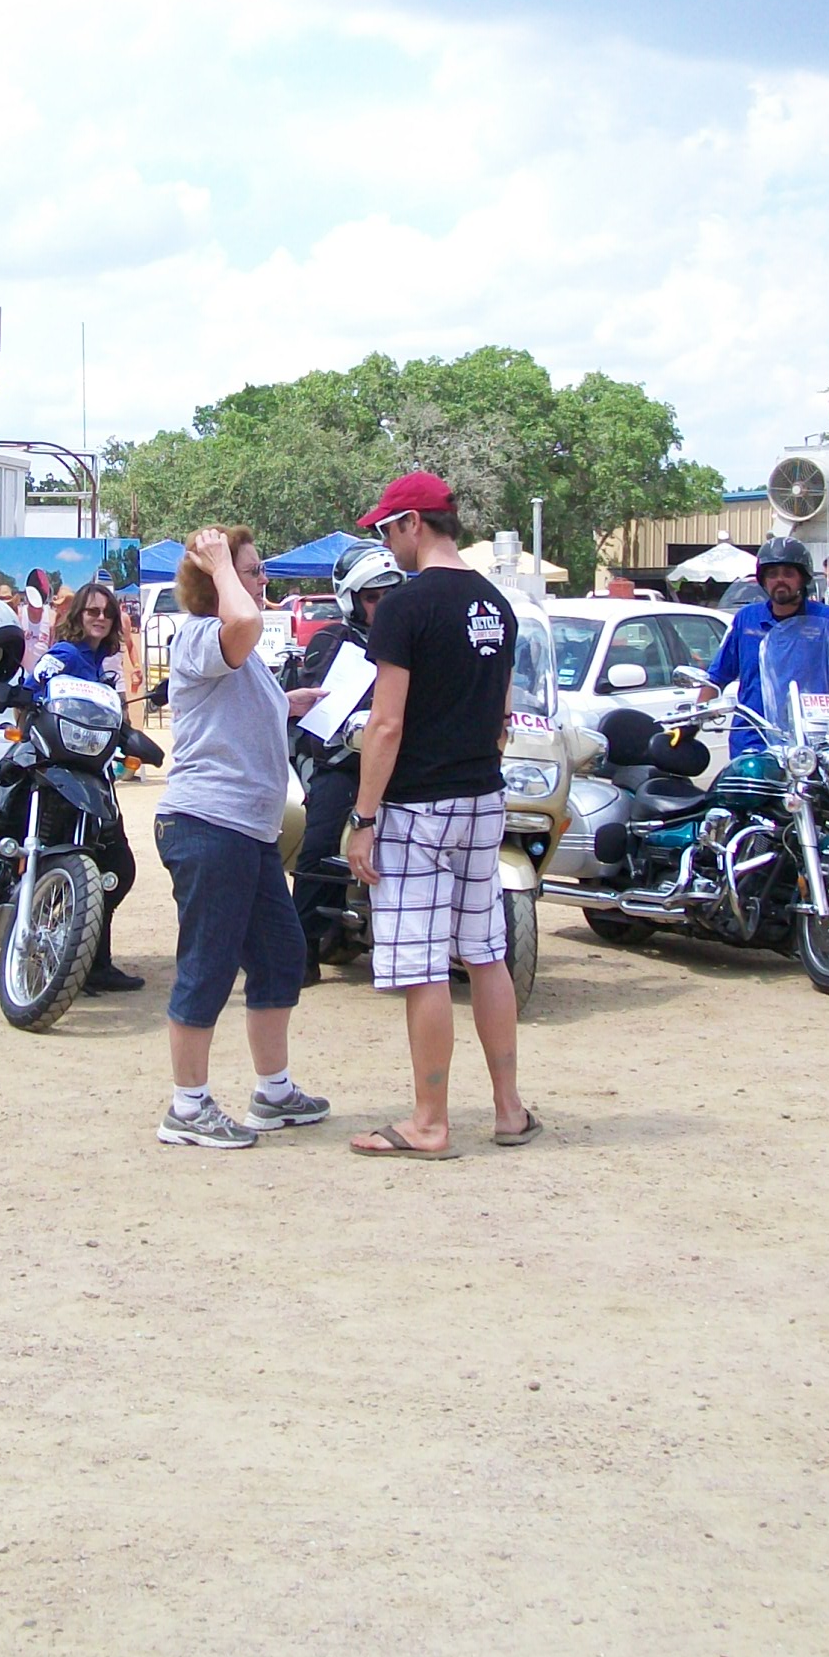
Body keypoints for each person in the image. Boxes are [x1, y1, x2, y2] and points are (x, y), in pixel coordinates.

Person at [342, 472, 536, 1157]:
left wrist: (364, 817)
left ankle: (430, 1121)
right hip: (483, 796)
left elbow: (386, 723)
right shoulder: (498, 605)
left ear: (413, 524)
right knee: (485, 953)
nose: (385, 542)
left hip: (417, 805)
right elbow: (502, 715)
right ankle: (508, 1109)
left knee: (422, 964)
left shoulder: (405, 606)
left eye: (386, 528)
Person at [153, 525, 331, 1149]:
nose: (262, 581)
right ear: (217, 580)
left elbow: (236, 704)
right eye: (252, 571)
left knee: (281, 955)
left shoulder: (240, 651)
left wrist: (288, 703)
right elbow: (246, 623)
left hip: (247, 832)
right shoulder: (201, 634)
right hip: (208, 824)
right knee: (208, 964)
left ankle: (273, 1092)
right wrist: (220, 565)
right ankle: (187, 1106)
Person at [21, 581, 146, 994]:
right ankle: (68, 956)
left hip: (94, 778)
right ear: (77, 616)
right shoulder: (65, 654)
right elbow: (32, 688)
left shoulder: (98, 664)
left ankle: (90, 958)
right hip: (58, 780)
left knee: (117, 868)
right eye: (92, 611)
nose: (100, 618)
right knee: (63, 862)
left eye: (107, 613)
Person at [288, 540, 404, 980]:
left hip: (406, 761)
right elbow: (322, 705)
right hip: (345, 760)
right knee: (319, 846)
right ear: (352, 600)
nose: (383, 604)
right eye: (373, 597)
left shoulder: (415, 637)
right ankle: (301, 949)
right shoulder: (332, 640)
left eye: (391, 594)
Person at [692, 535, 829, 756]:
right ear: (763, 580)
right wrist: (691, 722)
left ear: (802, 578)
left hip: (811, 742)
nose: (780, 580)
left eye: (788, 573)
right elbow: (717, 676)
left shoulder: (826, 620)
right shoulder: (747, 619)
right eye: (772, 574)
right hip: (753, 741)